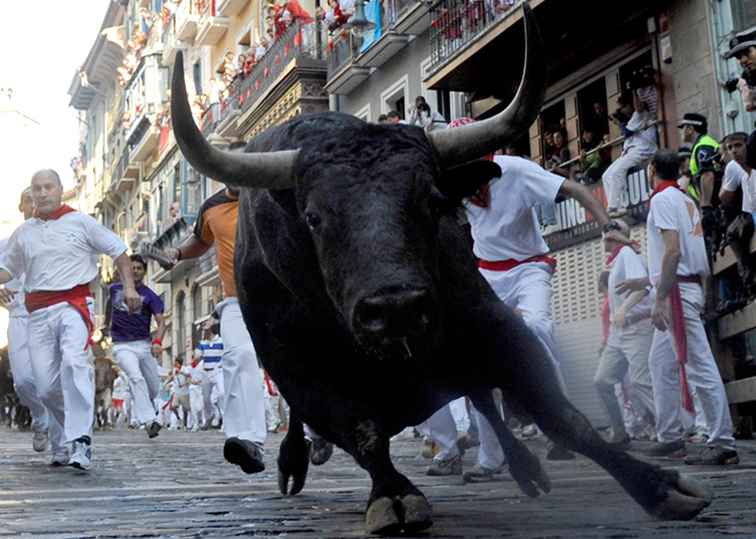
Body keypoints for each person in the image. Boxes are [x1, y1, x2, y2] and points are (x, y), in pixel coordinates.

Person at [425, 118, 628, 482]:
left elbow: (574, 188)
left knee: (536, 327)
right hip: (487, 273)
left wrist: (607, 223)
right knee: (477, 361)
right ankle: (491, 459)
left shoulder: (515, 171)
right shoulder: (452, 183)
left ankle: (561, 422)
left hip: (529, 267)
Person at [0, 169, 140, 471]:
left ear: (60, 190)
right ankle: (66, 433)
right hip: (37, 313)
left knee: (75, 362)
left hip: (73, 305)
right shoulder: (23, 234)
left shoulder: (81, 222)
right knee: (45, 386)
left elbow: (119, 251)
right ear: (31, 194)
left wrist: (129, 287)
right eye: (37, 188)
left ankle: (80, 440)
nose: (42, 193)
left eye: (48, 187)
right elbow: (8, 271)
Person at [159, 152, 268, 474]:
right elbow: (199, 240)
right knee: (239, 358)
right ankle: (246, 439)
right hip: (236, 299)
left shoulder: (270, 194)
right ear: (219, 171)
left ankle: (316, 431)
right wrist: (177, 252)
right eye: (227, 167)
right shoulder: (211, 207)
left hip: (281, 297)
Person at [639, 149, 738, 465]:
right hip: (689, 285)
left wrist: (659, 299)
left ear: (652, 168)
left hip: (676, 290)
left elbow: (672, 252)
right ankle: (669, 435)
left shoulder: (662, 199)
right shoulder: (685, 199)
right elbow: (698, 251)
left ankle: (722, 441)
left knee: (699, 365)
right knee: (659, 362)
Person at [0, 188, 63, 460]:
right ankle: (40, 417)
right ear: (21, 206)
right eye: (29, 198)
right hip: (19, 316)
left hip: (50, 314)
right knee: (24, 381)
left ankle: (61, 448)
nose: (35, 202)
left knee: (51, 382)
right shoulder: (5, 244)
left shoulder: (58, 240)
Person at [593, 220, 655, 447]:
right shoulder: (617, 259)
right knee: (602, 381)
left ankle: (672, 431)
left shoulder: (628, 253)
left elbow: (643, 287)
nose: (605, 232)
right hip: (619, 333)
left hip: (636, 328)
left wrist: (623, 309)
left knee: (642, 383)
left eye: (610, 228)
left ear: (618, 235)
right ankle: (619, 432)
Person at [104, 254, 166, 439]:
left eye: (139, 268)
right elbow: (108, 311)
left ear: (144, 272)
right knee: (136, 378)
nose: (135, 271)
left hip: (144, 345)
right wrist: (105, 328)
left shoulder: (151, 296)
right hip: (122, 345)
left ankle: (139, 396)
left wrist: (157, 342)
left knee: (153, 389)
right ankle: (149, 421)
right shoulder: (114, 289)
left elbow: (162, 323)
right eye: (132, 267)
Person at [602, 91, 658, 216]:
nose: (622, 110)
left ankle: (615, 207)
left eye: (624, 106)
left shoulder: (641, 113)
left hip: (644, 148)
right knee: (606, 175)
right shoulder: (632, 117)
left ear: (631, 104)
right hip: (632, 150)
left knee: (617, 172)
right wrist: (618, 121)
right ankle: (616, 206)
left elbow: (627, 132)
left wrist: (633, 90)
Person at [196, 319, 224, 429]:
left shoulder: (221, 341)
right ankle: (210, 415)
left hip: (218, 371)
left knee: (222, 393)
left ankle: (225, 421)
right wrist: (197, 355)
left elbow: (227, 353)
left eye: (205, 329)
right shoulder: (202, 343)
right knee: (206, 399)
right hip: (206, 372)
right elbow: (197, 356)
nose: (203, 331)